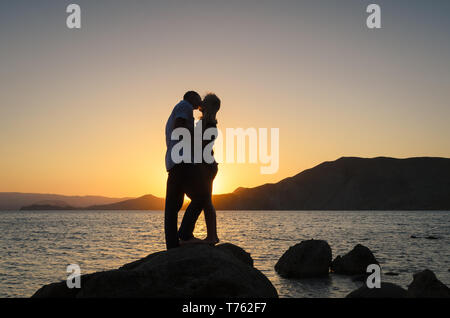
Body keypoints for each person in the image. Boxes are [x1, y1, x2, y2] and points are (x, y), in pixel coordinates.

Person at [164, 91, 206, 249]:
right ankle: (185, 234)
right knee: (201, 196)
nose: (200, 100)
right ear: (191, 97)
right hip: (182, 161)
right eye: (198, 98)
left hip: (174, 161)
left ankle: (172, 245)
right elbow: (179, 127)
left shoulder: (180, 107)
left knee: (173, 206)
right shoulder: (185, 106)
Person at [197, 93, 221, 244]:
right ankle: (211, 236)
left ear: (210, 106)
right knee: (205, 200)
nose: (201, 103)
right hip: (207, 165)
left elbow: (202, 146)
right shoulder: (206, 123)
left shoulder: (209, 124)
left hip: (207, 166)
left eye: (204, 101)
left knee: (206, 201)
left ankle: (212, 236)